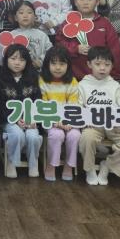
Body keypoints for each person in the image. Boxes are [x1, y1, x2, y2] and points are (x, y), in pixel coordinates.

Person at [78, 46, 120, 185]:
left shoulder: (115, 85)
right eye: (97, 64)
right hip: (92, 125)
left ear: (112, 66)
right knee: (87, 138)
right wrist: (86, 121)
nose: (102, 68)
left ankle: (107, 166)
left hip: (113, 125)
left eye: (107, 65)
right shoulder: (82, 84)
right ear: (89, 64)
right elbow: (79, 108)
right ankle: (89, 169)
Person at [56, 0, 120, 81]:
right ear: (75, 2)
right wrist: (75, 48)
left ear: (97, 2)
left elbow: (114, 50)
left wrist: (115, 75)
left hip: (100, 76)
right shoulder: (68, 23)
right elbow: (59, 44)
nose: (85, 2)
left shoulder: (104, 23)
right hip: (74, 76)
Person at [0, 43, 43, 178]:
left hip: (30, 120)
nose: (17, 63)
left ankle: (33, 162)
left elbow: (38, 101)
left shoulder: (33, 78)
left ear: (27, 62)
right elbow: (0, 105)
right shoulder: (1, 80)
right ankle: (12, 161)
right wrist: (16, 119)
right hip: (10, 120)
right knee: (17, 134)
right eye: (13, 58)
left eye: (22, 59)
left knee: (33, 136)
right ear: (6, 60)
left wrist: (34, 119)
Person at [39, 46, 80, 182]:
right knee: (56, 135)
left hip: (69, 121)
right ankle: (51, 165)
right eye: (54, 63)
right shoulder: (42, 81)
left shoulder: (72, 81)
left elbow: (74, 105)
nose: (58, 67)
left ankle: (69, 166)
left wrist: (67, 121)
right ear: (47, 64)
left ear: (68, 65)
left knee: (75, 135)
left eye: (62, 64)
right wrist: (56, 121)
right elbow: (42, 105)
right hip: (49, 120)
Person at [10, 0, 52, 70]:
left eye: (29, 12)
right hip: (17, 72)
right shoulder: (11, 35)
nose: (25, 16)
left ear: (34, 17)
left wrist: (41, 61)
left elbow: (50, 51)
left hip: (38, 72)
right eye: (21, 13)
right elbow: (4, 54)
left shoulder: (42, 35)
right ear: (16, 18)